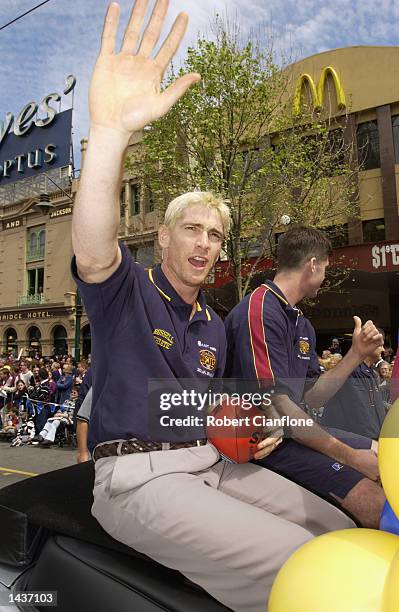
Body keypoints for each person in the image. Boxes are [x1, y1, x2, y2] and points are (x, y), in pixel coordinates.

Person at [70, 4, 355, 611]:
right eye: (192, 228)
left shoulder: (211, 324)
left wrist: (258, 433)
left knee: (343, 535)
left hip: (211, 464)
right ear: (163, 239)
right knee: (310, 569)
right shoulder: (126, 291)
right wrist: (111, 132)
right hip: (136, 479)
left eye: (216, 234)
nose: (205, 243)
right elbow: (94, 250)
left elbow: (217, 410)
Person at [225, 226, 385, 528]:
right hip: (264, 444)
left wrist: (355, 354)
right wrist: (350, 457)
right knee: (372, 500)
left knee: (385, 454)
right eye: (325, 268)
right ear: (313, 264)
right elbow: (277, 406)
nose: (323, 278)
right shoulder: (260, 309)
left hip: (296, 433)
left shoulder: (301, 324)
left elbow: (313, 396)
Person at [321, 342, 387, 438]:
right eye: (380, 346)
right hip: (348, 441)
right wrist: (377, 441)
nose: (383, 350)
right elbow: (360, 415)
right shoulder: (352, 372)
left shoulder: (371, 372)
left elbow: (377, 406)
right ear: (368, 346)